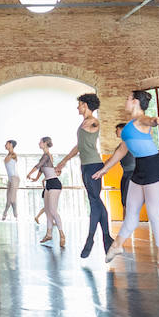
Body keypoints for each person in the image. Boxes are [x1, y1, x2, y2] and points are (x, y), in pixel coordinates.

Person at [93, 91, 159, 277]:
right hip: (139, 170)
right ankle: (117, 245)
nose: (125, 101)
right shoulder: (129, 126)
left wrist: (155, 120)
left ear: (136, 102)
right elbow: (123, 149)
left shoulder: (141, 120)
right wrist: (105, 168)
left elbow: (148, 120)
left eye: (128, 98)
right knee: (131, 213)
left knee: (154, 214)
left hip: (154, 167)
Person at [53, 93, 111, 259]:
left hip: (94, 165)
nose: (77, 107)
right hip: (85, 166)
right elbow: (78, 146)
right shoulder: (83, 123)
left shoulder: (93, 121)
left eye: (79, 104)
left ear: (86, 105)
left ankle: (91, 239)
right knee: (95, 202)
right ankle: (106, 239)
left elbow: (95, 125)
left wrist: (92, 122)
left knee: (94, 202)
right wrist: (63, 162)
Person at [26, 136, 65, 247]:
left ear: (45, 143)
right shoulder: (45, 156)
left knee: (52, 210)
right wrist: (36, 178)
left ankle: (62, 235)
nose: (39, 143)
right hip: (48, 184)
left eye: (40, 142)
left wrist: (29, 173)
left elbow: (38, 165)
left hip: (54, 184)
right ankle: (48, 234)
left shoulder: (47, 155)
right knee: (47, 211)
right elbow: (41, 169)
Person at [113, 122, 135, 210]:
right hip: (125, 174)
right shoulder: (121, 145)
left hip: (132, 174)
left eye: (117, 130)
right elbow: (113, 159)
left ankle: (129, 222)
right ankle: (125, 222)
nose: (115, 132)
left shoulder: (130, 143)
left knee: (127, 201)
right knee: (124, 201)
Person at [1, 139, 20, 220]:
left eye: (7, 144)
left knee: (12, 199)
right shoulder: (9, 154)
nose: (5, 145)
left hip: (15, 178)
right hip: (10, 179)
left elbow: (7, 160)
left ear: (11, 145)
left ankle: (15, 214)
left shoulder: (13, 154)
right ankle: (6, 214)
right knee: (8, 199)